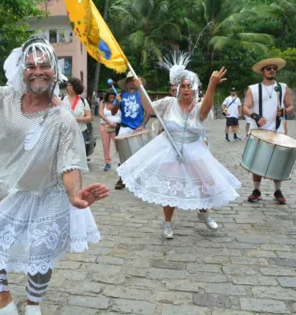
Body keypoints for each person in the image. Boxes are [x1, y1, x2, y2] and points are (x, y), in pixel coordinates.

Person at [0, 26, 108, 315]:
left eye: (44, 65)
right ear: (23, 72)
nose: (38, 71)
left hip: (53, 193)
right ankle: (3, 301)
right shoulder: (8, 98)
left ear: (54, 71)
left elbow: (70, 164)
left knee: (40, 253)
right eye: (31, 66)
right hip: (23, 192)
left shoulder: (63, 118)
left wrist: (75, 195)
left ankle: (34, 305)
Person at [117, 53, 241, 239]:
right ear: (177, 89)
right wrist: (141, 88)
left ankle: (204, 213)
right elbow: (149, 109)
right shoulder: (168, 103)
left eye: (189, 86)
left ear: (195, 89)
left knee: (206, 183)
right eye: (182, 86)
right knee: (170, 186)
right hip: (169, 148)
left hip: (195, 148)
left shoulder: (198, 106)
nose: (186, 89)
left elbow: (205, 111)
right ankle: (167, 223)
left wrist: (212, 85)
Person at [243, 58, 294, 204]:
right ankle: (256, 190)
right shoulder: (253, 89)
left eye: (274, 68)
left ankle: (277, 191)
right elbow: (246, 107)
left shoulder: (283, 87)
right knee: (256, 162)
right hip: (258, 130)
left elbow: (290, 106)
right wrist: (256, 116)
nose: (272, 70)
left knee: (278, 160)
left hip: (277, 129)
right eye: (268, 68)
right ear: (262, 71)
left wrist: (284, 110)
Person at [110, 71, 150, 190]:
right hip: (124, 127)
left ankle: (139, 180)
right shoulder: (121, 95)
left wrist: (142, 125)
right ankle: (122, 178)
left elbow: (149, 111)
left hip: (137, 129)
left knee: (139, 155)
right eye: (130, 80)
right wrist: (117, 102)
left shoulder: (142, 95)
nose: (132, 82)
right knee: (123, 155)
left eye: (134, 80)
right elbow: (113, 112)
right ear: (127, 82)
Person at [61, 77, 93, 144]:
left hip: (80, 132)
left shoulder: (83, 101)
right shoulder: (62, 99)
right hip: (65, 132)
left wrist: (79, 119)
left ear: (76, 87)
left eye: (70, 85)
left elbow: (89, 117)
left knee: (79, 153)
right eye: (67, 85)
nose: (68, 87)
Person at [98, 91, 121, 171]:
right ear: (107, 97)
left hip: (116, 127)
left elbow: (123, 114)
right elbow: (101, 114)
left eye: (113, 97)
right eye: (110, 97)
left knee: (119, 146)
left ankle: (120, 162)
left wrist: (116, 123)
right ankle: (107, 163)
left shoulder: (119, 102)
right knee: (105, 145)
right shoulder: (103, 102)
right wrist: (109, 122)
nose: (111, 99)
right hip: (105, 126)